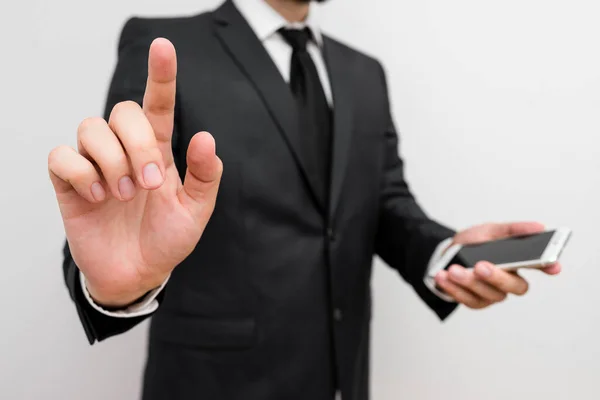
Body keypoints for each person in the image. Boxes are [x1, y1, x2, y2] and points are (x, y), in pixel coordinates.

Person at [48, 0, 561, 399]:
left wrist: (448, 255)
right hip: (214, 387)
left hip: (342, 379)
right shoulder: (165, 47)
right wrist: (113, 290)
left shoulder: (364, 73)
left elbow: (385, 203)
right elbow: (123, 207)